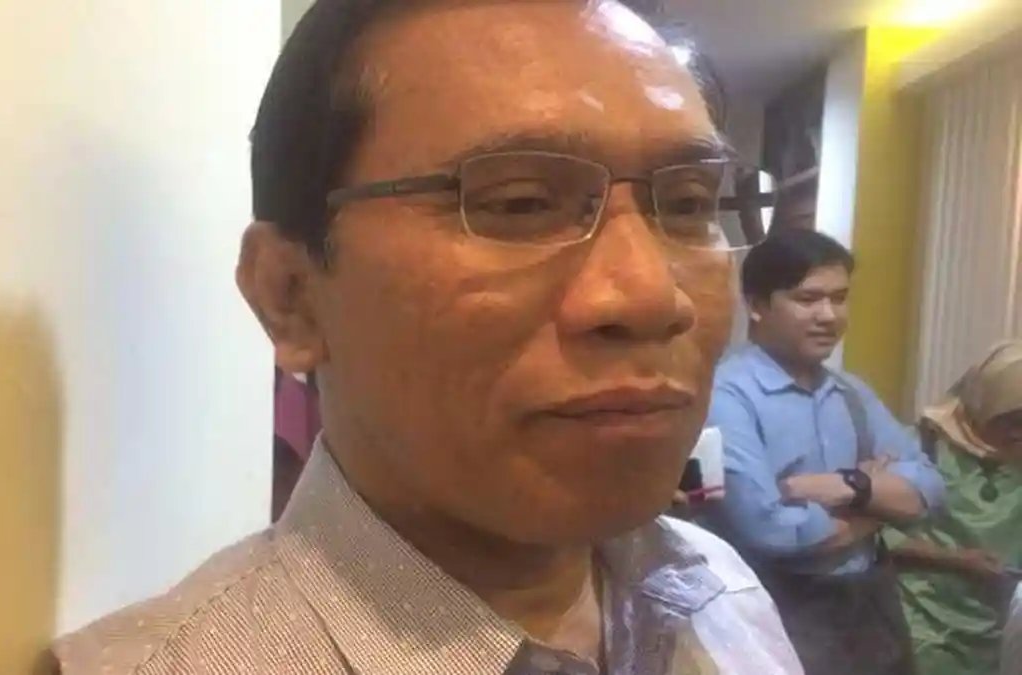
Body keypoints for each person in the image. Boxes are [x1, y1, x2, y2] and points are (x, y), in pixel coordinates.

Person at [54, 1, 804, 673]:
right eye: (520, 203)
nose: (651, 297)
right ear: (291, 297)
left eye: (688, 203)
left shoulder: (724, 594)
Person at [707, 229, 946, 675]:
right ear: (757, 305)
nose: (829, 315)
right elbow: (769, 531)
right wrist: (878, 506)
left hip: (871, 605)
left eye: (839, 298)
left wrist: (848, 486)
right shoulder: (727, 396)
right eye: (807, 299)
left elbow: (930, 488)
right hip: (777, 608)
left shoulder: (851, 392)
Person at [886, 341, 1022, 675]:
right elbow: (875, 537)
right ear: (983, 405)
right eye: (1012, 420)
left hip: (994, 631)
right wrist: (956, 560)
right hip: (921, 624)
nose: (1019, 433)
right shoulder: (919, 448)